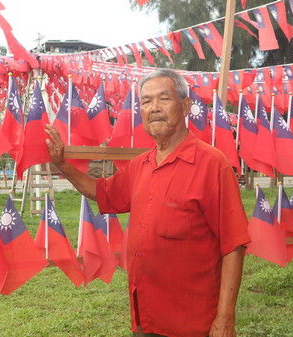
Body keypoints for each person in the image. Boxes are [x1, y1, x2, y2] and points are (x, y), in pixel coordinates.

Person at [45, 69, 250, 337]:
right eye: (146, 101)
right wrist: (63, 165)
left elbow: (233, 245)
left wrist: (225, 317)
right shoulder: (140, 165)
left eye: (164, 99)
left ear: (185, 106)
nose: (154, 108)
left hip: (193, 321)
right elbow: (101, 191)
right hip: (147, 316)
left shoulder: (212, 165)